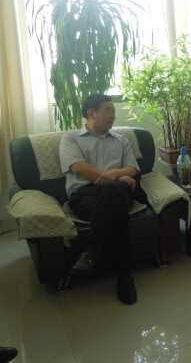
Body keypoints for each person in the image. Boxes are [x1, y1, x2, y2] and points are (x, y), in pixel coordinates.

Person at [59, 93, 140, 305]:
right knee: (115, 211)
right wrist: (115, 176)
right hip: (85, 195)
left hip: (119, 191)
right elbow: (78, 167)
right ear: (91, 113)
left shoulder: (121, 140)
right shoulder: (71, 138)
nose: (113, 115)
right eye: (108, 111)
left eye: (114, 111)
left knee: (112, 191)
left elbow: (132, 169)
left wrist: (116, 178)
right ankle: (124, 276)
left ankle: (92, 251)